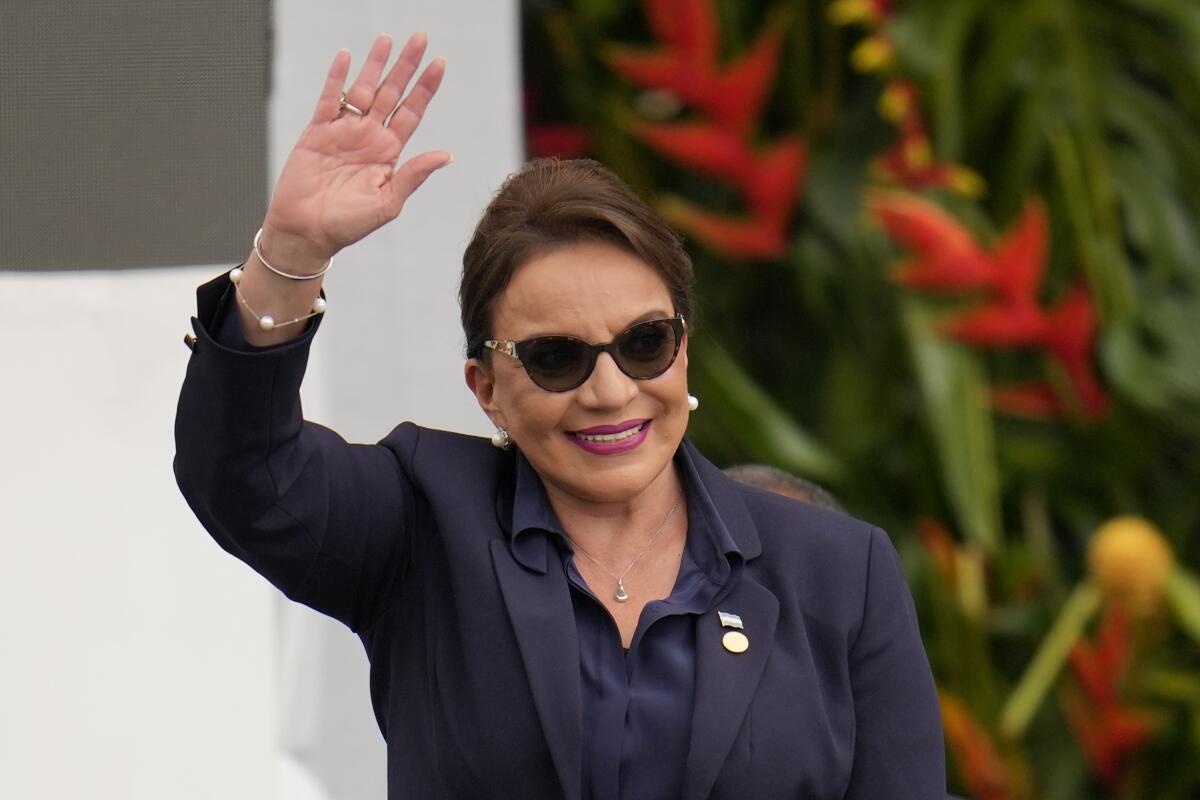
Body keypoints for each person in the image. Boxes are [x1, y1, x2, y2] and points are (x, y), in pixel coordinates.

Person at [174, 32, 945, 799]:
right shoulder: (424, 521)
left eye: (644, 344)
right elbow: (243, 474)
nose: (609, 391)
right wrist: (290, 255)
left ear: (684, 351)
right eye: (556, 358)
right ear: (485, 387)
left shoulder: (841, 572)